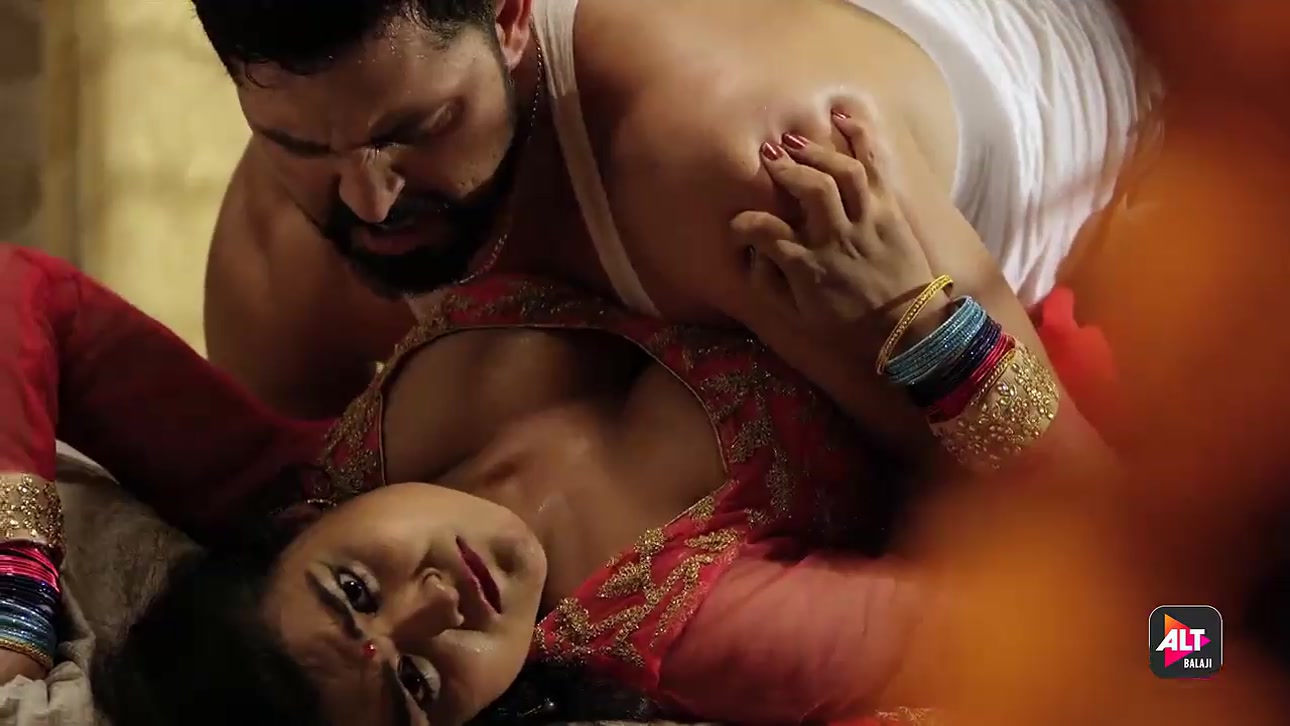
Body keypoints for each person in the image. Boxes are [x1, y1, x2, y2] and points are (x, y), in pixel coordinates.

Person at [0, 118, 1112, 722]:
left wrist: (18, 605)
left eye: (355, 591)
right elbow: (1121, 622)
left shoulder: (302, 475)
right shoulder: (695, 627)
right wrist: (924, 322)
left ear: (290, 533)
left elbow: (25, 293)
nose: (441, 602)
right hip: (996, 221)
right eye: (418, 688)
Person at [196, 0, 1144, 432]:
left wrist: (926, 325)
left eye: (419, 129)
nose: (371, 201)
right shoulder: (286, 253)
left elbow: (1067, 497)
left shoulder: (750, 171)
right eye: (299, 147)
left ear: (512, 17)